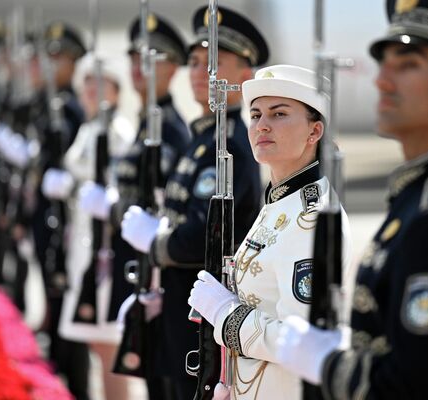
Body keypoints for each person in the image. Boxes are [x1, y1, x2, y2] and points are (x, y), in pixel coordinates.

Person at [275, 1, 428, 399]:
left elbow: (412, 385)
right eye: (385, 64)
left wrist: (327, 363)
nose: (382, 81)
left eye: (408, 65)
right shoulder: (419, 194)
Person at [120, 6, 269, 399]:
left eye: (217, 62)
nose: (203, 72)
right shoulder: (202, 138)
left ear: (245, 77)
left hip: (200, 318)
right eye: (197, 61)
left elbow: (201, 237)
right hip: (177, 306)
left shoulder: (231, 144)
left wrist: (154, 242)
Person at [187, 64, 352, 399]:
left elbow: (301, 339)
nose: (262, 125)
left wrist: (225, 315)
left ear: (314, 130)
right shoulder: (279, 201)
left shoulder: (313, 217)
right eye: (256, 114)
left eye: (279, 114)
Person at [77, 12, 191, 400]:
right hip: (136, 267)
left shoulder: (172, 131)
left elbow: (168, 209)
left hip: (158, 274)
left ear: (174, 66)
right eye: (135, 58)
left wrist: (113, 209)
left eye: (153, 57)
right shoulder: (146, 125)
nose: (140, 68)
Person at [42, 52, 136, 400]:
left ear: (116, 90)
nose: (91, 91)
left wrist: (78, 190)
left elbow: (122, 188)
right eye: (87, 84)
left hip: (106, 251)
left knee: (109, 345)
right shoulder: (88, 128)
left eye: (101, 84)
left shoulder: (119, 133)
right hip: (84, 246)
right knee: (100, 344)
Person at [29, 21, 90, 400]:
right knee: (50, 279)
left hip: (67, 213)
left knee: (64, 289)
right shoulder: (50, 102)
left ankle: (74, 377)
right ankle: (57, 357)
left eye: (59, 58)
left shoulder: (71, 107)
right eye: (49, 58)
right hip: (47, 208)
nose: (51, 66)